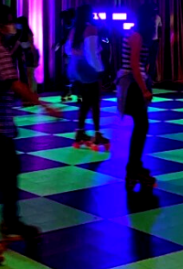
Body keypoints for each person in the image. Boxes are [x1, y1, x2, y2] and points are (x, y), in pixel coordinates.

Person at [0, 4, 61, 259]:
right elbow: (13, 82)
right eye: (10, 22)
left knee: (9, 169)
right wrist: (43, 104)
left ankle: (9, 221)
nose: (14, 26)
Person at [117, 4, 159, 190]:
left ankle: (134, 166)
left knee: (141, 126)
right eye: (153, 17)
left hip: (135, 82)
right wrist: (144, 90)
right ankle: (133, 167)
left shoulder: (138, 35)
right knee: (142, 125)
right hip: (132, 84)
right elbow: (134, 65)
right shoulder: (136, 36)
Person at [66, 5, 107, 150]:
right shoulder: (90, 29)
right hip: (87, 68)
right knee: (95, 102)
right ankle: (97, 134)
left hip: (75, 68)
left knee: (85, 102)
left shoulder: (74, 29)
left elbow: (67, 50)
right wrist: (100, 70)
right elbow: (91, 53)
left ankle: (80, 132)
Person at [12, 17, 41, 94]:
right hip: (27, 54)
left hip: (29, 54)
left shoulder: (27, 33)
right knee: (29, 75)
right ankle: (31, 92)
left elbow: (31, 46)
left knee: (30, 75)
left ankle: (32, 92)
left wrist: (35, 57)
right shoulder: (22, 33)